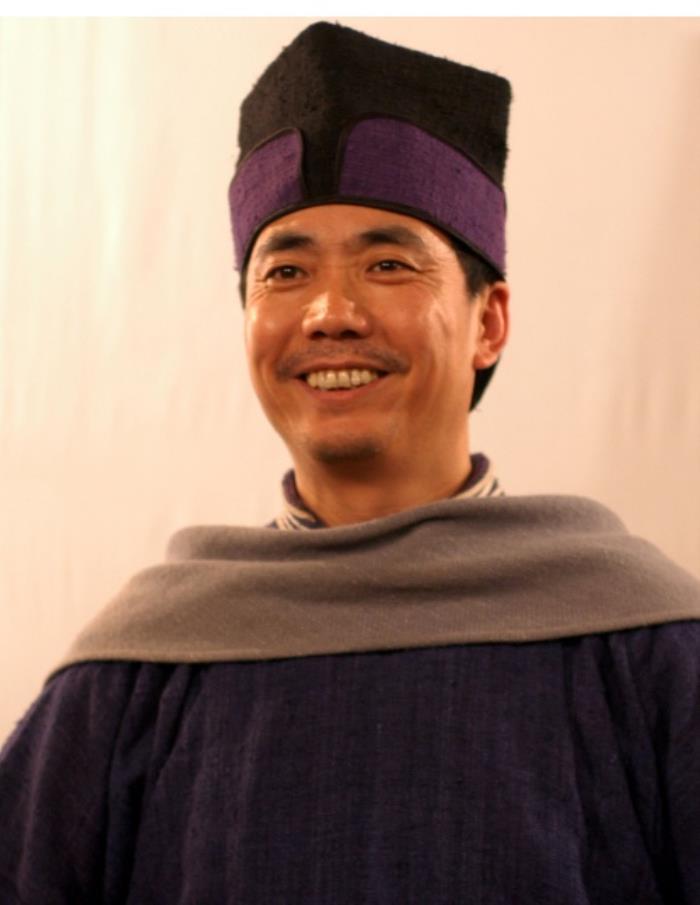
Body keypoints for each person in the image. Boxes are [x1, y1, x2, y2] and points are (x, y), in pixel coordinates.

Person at [1, 21, 699, 905]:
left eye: (388, 263)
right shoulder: (134, 676)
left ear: (489, 322)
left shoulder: (645, 651)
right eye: (284, 273)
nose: (329, 312)